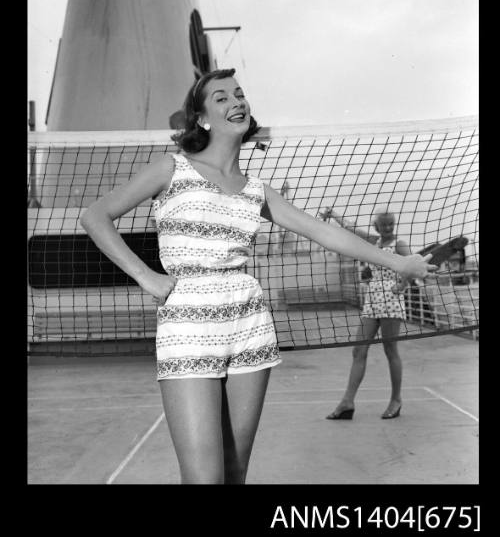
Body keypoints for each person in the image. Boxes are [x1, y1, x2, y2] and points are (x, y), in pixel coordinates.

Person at [80, 69, 436, 483]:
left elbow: (323, 231)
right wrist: (147, 278)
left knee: (234, 473)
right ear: (202, 118)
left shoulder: (257, 190)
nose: (236, 102)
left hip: (248, 321)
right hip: (188, 323)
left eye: (240, 94)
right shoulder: (171, 168)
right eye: (221, 98)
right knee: (203, 479)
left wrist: (400, 263)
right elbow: (96, 216)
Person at [326, 207, 411, 420]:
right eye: (384, 225)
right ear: (377, 227)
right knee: (358, 350)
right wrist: (333, 215)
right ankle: (347, 402)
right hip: (372, 300)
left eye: (391, 223)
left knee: (390, 350)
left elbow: (411, 266)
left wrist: (402, 285)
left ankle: (396, 400)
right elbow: (352, 229)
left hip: (391, 300)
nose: (388, 228)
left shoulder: (399, 244)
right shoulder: (374, 242)